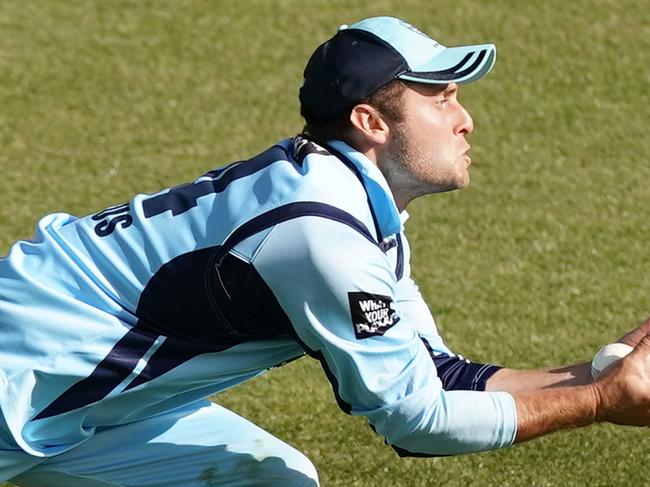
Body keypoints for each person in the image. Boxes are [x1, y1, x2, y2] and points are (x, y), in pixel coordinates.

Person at [1, 15, 649, 487]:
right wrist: (598, 403)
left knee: (273, 480)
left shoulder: (352, 203)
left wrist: (600, 375)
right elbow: (415, 419)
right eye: (440, 96)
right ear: (370, 122)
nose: (465, 117)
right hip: (17, 376)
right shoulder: (319, 230)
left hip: (81, 404)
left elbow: (435, 374)